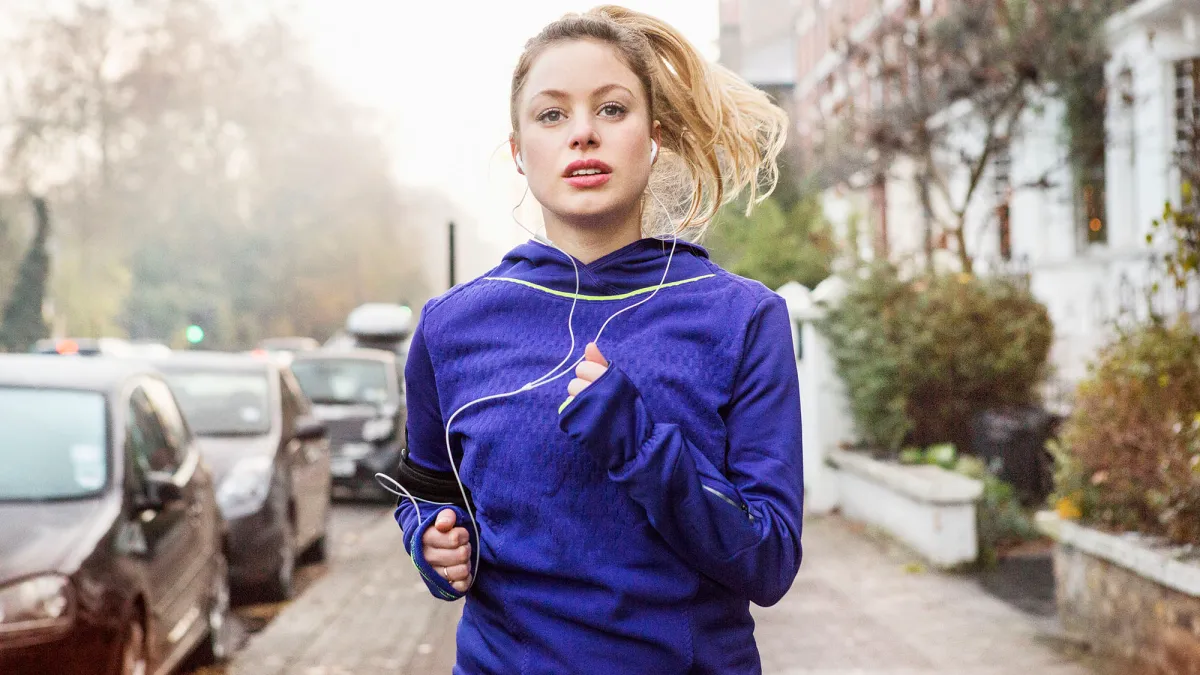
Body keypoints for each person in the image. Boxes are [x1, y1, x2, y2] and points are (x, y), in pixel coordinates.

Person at [391, 5, 803, 673]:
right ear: (521, 152)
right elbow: (427, 491)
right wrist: (431, 543)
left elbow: (771, 559)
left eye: (612, 109)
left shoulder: (743, 318)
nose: (582, 133)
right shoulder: (450, 327)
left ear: (654, 137)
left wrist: (638, 444)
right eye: (552, 115)